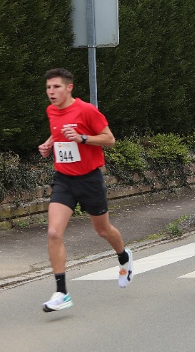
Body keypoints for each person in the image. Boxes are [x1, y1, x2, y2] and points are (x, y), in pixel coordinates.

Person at [38, 68, 132, 311]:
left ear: (69, 88)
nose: (51, 92)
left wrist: (83, 138)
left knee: (103, 230)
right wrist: (48, 144)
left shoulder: (86, 110)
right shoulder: (51, 110)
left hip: (89, 179)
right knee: (54, 233)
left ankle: (124, 256)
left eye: (56, 87)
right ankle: (62, 293)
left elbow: (109, 139)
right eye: (48, 87)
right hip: (64, 180)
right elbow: (58, 131)